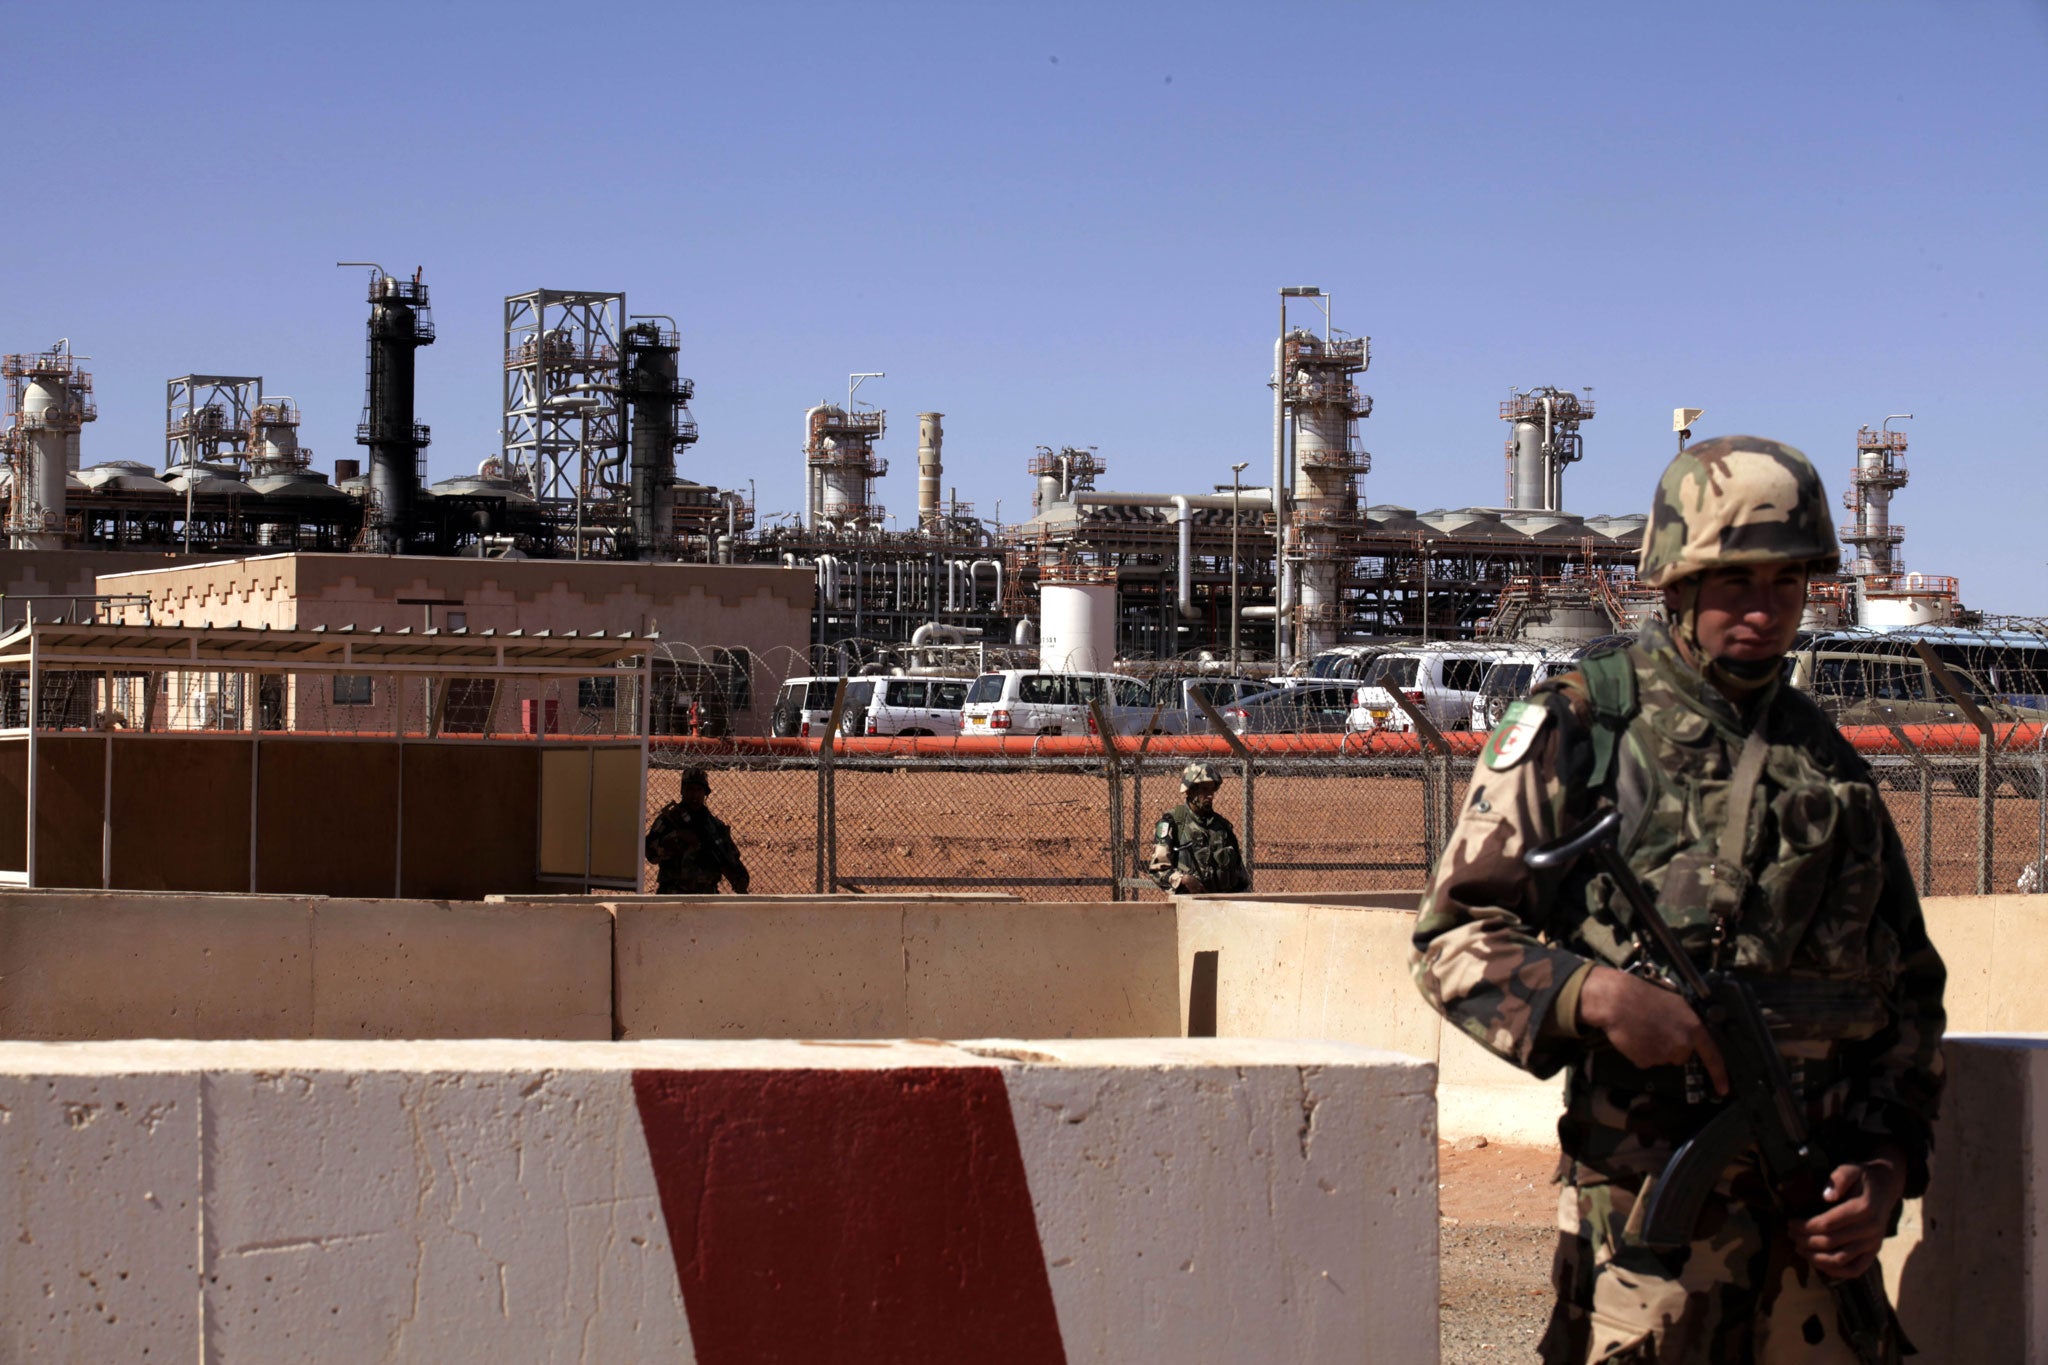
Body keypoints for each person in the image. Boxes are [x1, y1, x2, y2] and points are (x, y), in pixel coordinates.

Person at [1411, 435, 1945, 1362]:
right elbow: (1452, 940)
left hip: (1814, 1255)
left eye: (1787, 586)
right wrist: (1597, 997)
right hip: (1646, 1253)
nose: (1764, 611)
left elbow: (1908, 999)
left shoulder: (1832, 766)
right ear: (1676, 584)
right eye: (1736, 582)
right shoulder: (1585, 726)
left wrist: (1887, 1170)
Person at [644, 765, 751, 894]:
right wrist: (677, 837)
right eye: (689, 789)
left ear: (705, 793)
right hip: (673, 893)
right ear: (682, 791)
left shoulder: (716, 827)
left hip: (707, 895)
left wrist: (739, 878)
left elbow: (730, 857)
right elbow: (651, 854)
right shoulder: (669, 820)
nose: (694, 795)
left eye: (699, 790)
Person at [1148, 761, 1249, 894]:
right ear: (1190, 791)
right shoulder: (1173, 823)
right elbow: (1158, 869)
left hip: (1223, 906)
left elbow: (1239, 874)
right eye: (1205, 789)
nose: (1210, 795)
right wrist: (1182, 879)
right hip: (1189, 906)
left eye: (1212, 789)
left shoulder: (1222, 826)